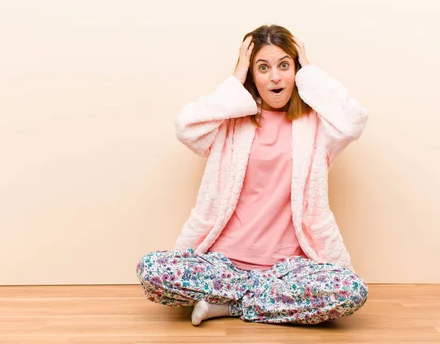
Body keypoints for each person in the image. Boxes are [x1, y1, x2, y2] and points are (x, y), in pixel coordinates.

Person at [136, 24, 369, 326]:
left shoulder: (317, 126)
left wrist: (310, 70)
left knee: (350, 291)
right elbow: (186, 127)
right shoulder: (233, 121)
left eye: (284, 65)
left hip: (289, 270)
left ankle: (227, 304)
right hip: (223, 265)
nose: (275, 76)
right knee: (152, 269)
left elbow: (352, 122)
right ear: (251, 76)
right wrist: (235, 78)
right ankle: (259, 301)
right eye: (263, 67)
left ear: (296, 72)